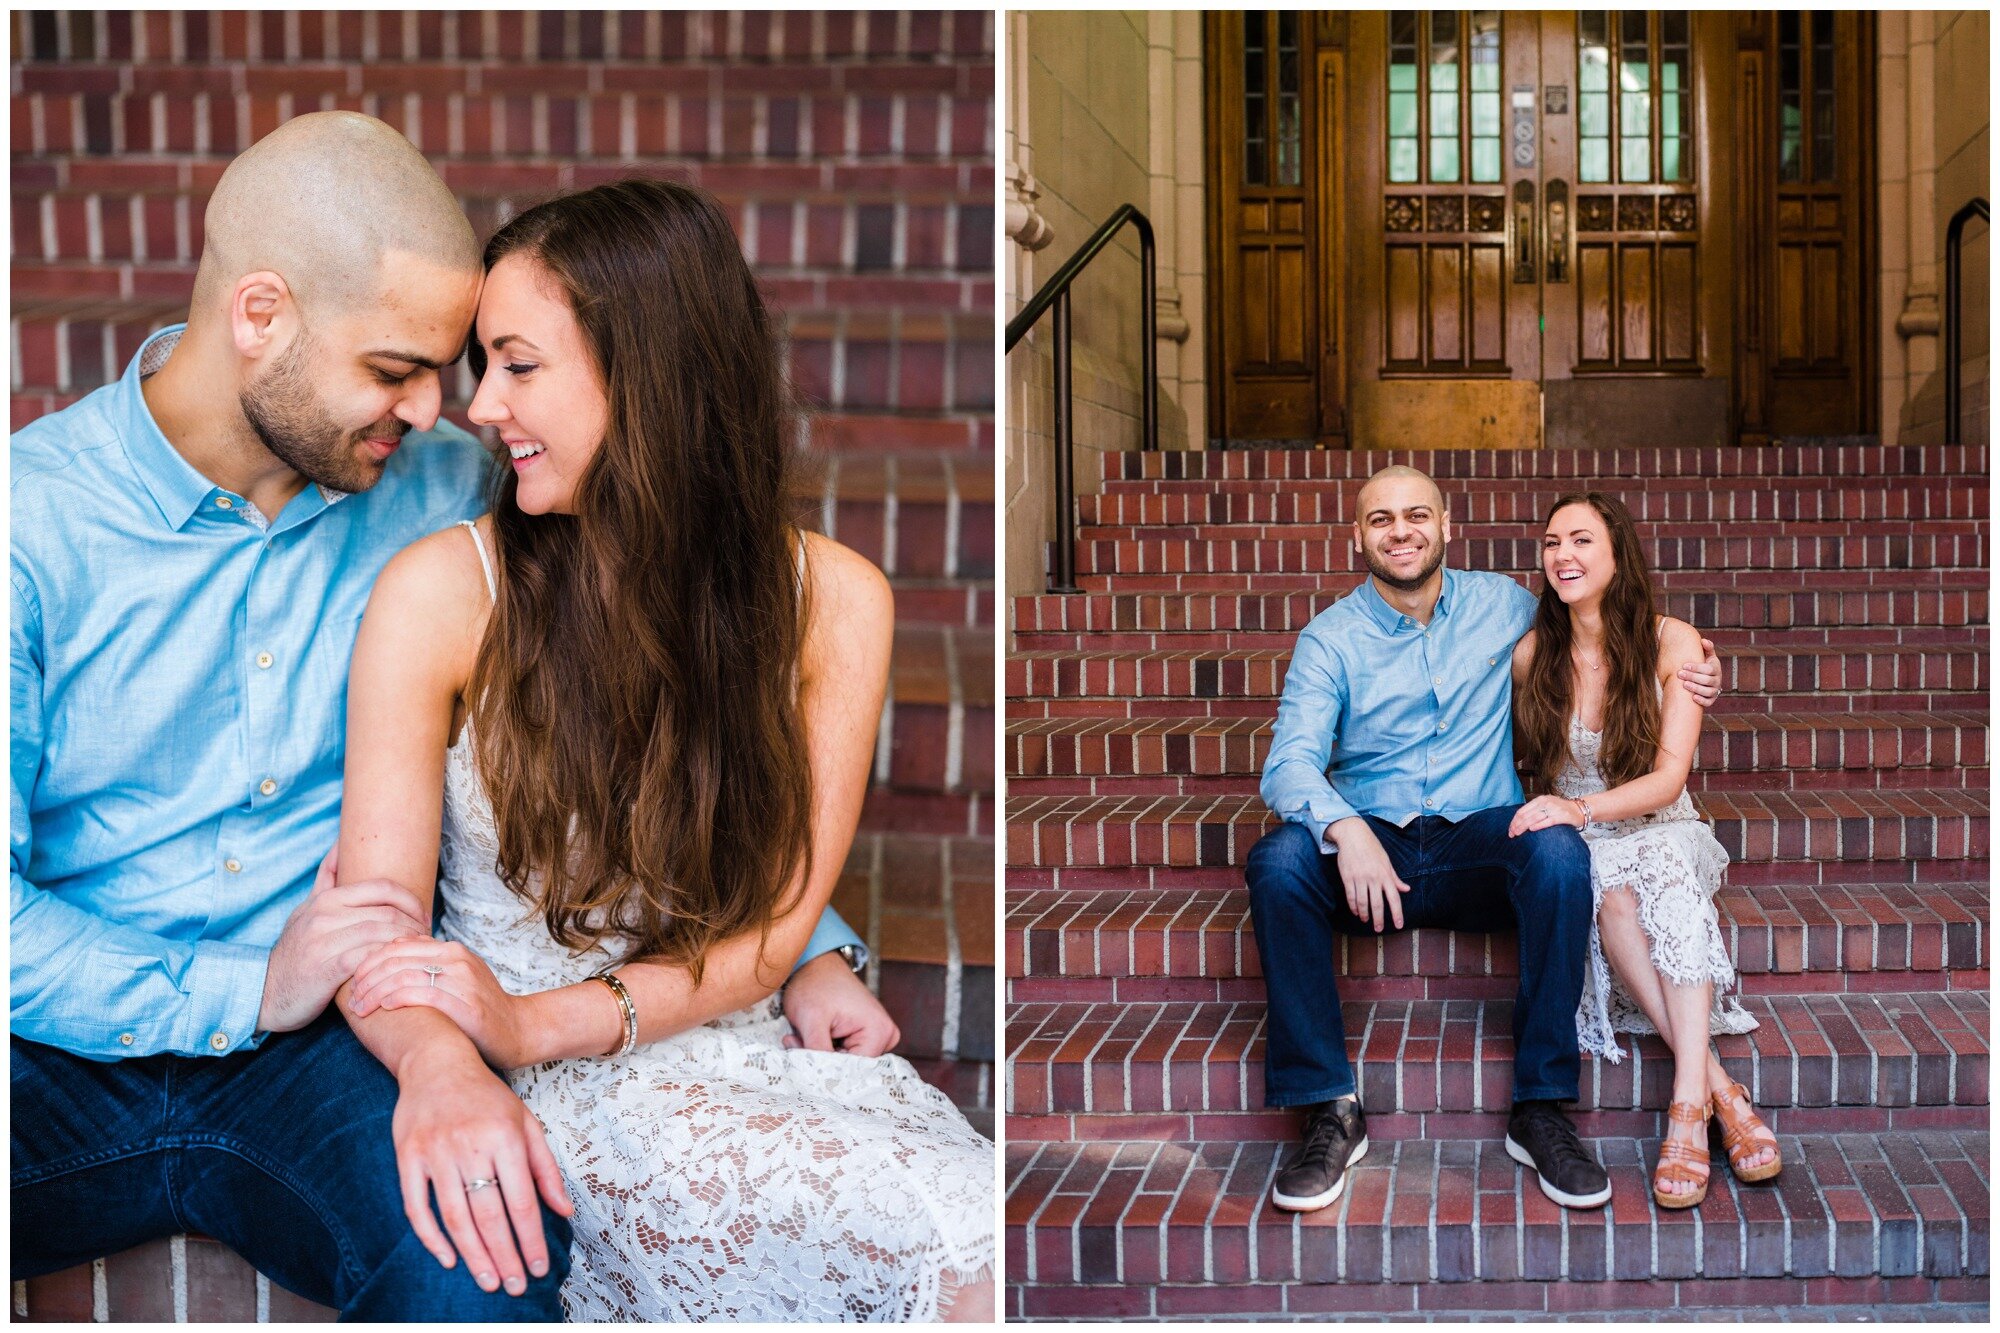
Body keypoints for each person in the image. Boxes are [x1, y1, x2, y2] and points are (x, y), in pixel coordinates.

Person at [10, 113, 890, 1317]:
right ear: (259, 317)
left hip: (324, 1050)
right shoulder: (28, 525)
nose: (439, 409)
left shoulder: (450, 487)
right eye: (393, 369)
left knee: (491, 1269)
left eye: (456, 368)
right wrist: (240, 990)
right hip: (51, 1048)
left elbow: (654, 659)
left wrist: (802, 939)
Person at [331, 178, 995, 1322]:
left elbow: (780, 922)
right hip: (558, 1091)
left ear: (646, 372)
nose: (481, 405)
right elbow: (376, 924)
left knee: (977, 1232)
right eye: (484, 365)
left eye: (518, 363)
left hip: (735, 1040)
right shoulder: (443, 592)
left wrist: (544, 1015)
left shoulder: (835, 601)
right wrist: (471, 1046)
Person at [1246, 466, 1725, 1216]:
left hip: (1478, 837)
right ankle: (1328, 1106)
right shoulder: (1330, 638)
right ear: (1358, 536)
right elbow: (1290, 763)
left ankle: (1540, 1107)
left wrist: (1695, 667)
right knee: (1278, 859)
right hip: (1374, 846)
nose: (1400, 531)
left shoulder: (1506, 607)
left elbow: (1608, 627)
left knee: (1560, 849)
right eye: (1380, 520)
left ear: (1446, 524)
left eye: (1415, 515)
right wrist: (1343, 826)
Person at [1509, 492, 1778, 1210]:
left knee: (1650, 865)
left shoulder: (1672, 641)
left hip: (1661, 823)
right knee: (1606, 886)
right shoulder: (1533, 652)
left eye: (1582, 540)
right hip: (1586, 842)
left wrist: (1578, 806)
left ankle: (1686, 1105)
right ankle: (1720, 1090)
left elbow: (1668, 779)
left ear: (1618, 554)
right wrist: (1561, 818)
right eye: (1551, 541)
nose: (1563, 555)